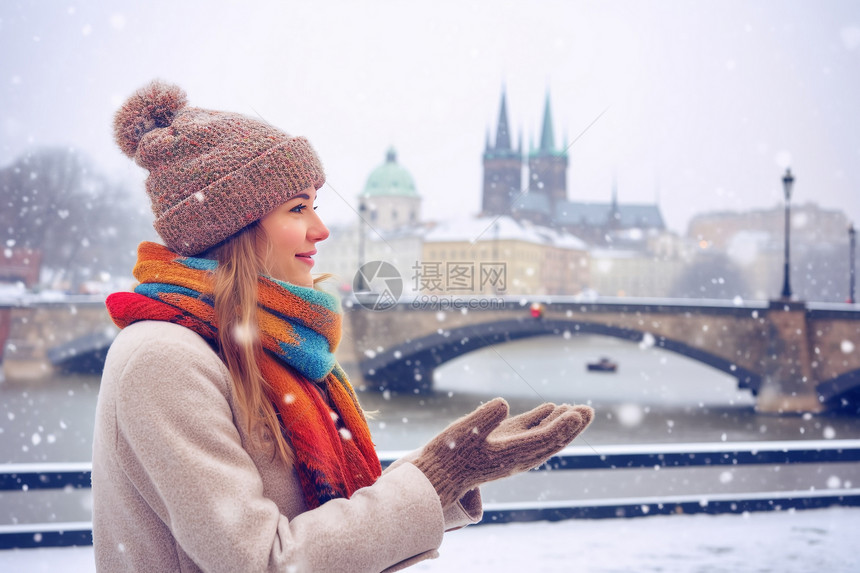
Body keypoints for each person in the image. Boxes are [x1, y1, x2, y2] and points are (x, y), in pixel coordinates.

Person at [91, 80, 594, 573]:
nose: (321, 229)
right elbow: (264, 562)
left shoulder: (274, 342)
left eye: (316, 205)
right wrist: (435, 478)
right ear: (233, 226)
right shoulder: (164, 358)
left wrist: (455, 464)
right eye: (298, 208)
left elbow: (313, 532)